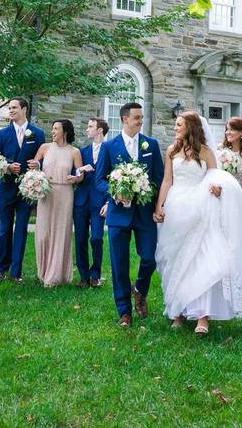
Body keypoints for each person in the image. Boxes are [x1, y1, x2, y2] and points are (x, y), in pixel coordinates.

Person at [155, 111, 242, 335]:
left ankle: (203, 317)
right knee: (175, 259)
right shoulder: (172, 151)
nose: (175, 128)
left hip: (200, 208)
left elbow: (216, 178)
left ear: (190, 126)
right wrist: (159, 206)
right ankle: (178, 311)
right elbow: (166, 180)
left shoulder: (206, 152)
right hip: (175, 207)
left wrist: (218, 190)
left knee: (202, 258)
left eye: (178, 124)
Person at [95, 101, 163, 327]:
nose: (141, 121)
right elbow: (100, 181)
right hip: (118, 215)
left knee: (149, 258)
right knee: (119, 264)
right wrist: (115, 194)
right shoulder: (109, 146)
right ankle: (124, 311)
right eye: (137, 117)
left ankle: (140, 289)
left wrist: (157, 206)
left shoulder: (151, 145)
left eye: (141, 117)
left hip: (144, 215)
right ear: (125, 119)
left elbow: (159, 179)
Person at [0, 97, 45, 283]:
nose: (11, 111)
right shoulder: (3, 133)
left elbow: (43, 158)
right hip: (6, 188)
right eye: (9, 108)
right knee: (4, 229)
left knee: (21, 229)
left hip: (27, 189)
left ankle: (16, 272)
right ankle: (2, 268)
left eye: (14, 108)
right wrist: (7, 166)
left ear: (24, 109)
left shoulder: (37, 134)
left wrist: (37, 163)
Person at [35, 118, 84, 286]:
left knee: (60, 233)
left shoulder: (74, 152)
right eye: (52, 128)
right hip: (45, 193)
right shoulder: (44, 148)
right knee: (43, 234)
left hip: (64, 193)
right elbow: (34, 168)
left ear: (65, 131)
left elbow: (81, 175)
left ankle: (56, 276)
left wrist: (75, 178)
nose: (53, 132)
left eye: (56, 129)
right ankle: (43, 272)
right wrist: (34, 173)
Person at [73, 118, 109, 287]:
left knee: (96, 238)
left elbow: (115, 178)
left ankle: (96, 275)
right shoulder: (82, 151)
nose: (87, 130)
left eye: (90, 127)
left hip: (99, 202)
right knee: (80, 239)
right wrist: (80, 169)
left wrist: (108, 202)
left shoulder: (110, 150)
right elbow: (76, 173)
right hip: (81, 201)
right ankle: (83, 276)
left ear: (100, 130)